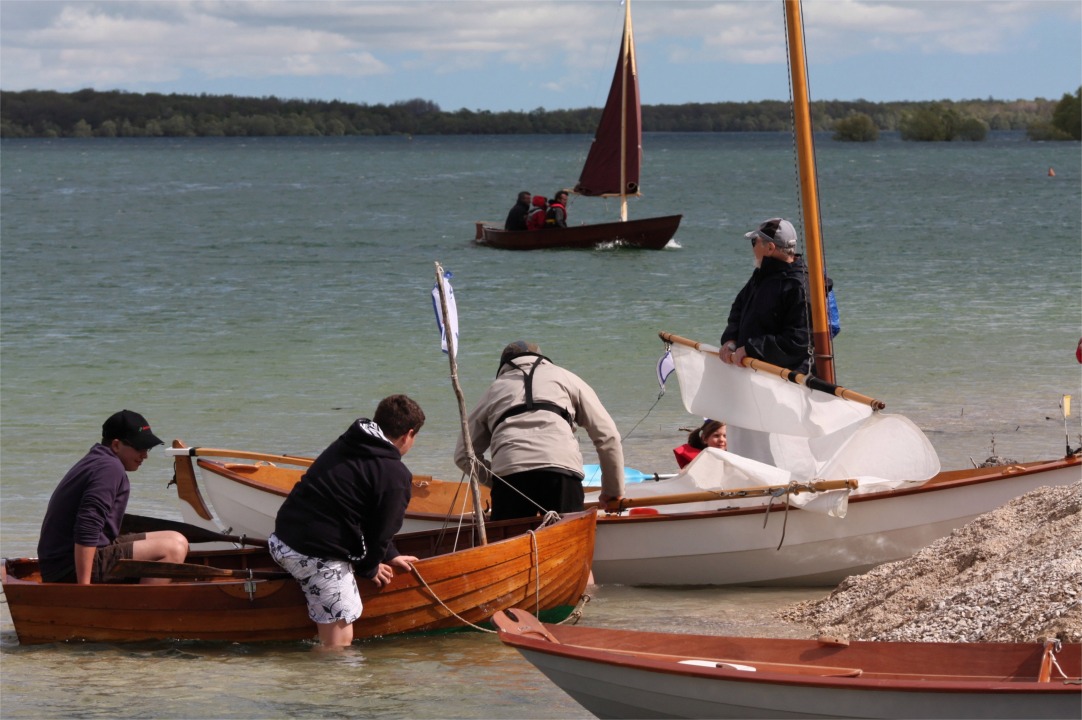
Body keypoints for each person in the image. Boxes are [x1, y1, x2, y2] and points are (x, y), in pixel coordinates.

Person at [268, 395, 425, 648]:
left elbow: (359, 513)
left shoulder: (349, 441)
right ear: (408, 435)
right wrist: (370, 568)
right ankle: (325, 684)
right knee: (339, 644)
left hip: (281, 540)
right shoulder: (394, 474)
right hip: (312, 554)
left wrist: (390, 554)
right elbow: (381, 531)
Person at [454, 341, 624, 520]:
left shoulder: (493, 390)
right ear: (541, 358)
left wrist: (497, 481)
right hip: (561, 471)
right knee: (569, 543)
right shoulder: (566, 378)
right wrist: (612, 491)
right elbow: (608, 436)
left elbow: (463, 455)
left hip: (510, 474)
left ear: (503, 366)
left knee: (511, 545)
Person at [36, 410, 189, 585]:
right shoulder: (110, 469)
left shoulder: (99, 460)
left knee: (177, 538)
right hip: (67, 568)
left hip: (66, 559)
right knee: (173, 549)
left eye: (147, 448)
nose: (145, 455)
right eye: (139, 448)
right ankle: (142, 610)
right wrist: (83, 589)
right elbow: (87, 527)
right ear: (116, 445)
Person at [719, 218, 814, 375]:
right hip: (753, 371)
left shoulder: (799, 286)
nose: (752, 248)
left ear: (770, 248)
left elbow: (797, 341)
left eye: (754, 242)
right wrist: (731, 339)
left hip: (785, 381)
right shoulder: (762, 274)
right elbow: (739, 307)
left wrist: (751, 348)